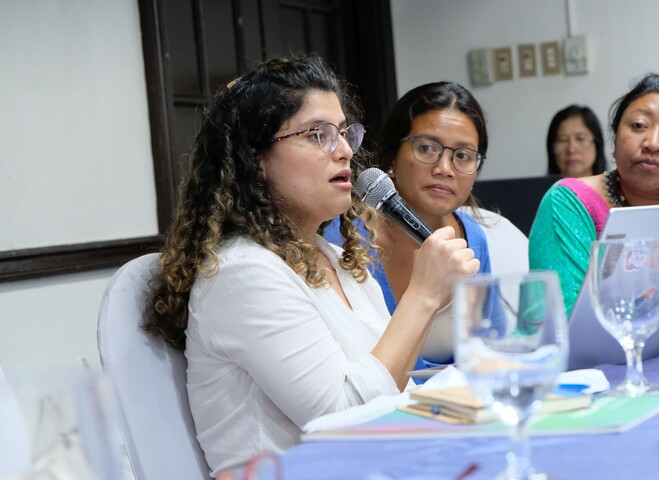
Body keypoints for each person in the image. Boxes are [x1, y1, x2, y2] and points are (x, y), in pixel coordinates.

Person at [144, 56, 479, 475]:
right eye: (318, 135)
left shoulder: (336, 259)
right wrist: (425, 295)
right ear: (256, 158)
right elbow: (342, 421)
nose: (343, 151)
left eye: (343, 133)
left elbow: (395, 390)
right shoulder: (241, 273)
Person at [324, 81, 503, 370]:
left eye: (463, 156)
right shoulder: (343, 236)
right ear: (393, 156)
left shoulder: (473, 239)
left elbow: (492, 349)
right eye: (426, 148)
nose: (444, 168)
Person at [530, 73, 659, 315]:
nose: (653, 142)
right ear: (614, 139)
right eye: (639, 125)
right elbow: (567, 322)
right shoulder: (571, 202)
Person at [546, 104, 607, 177]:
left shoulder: (615, 187)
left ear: (596, 143)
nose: (571, 150)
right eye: (563, 140)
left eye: (580, 138)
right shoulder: (541, 188)